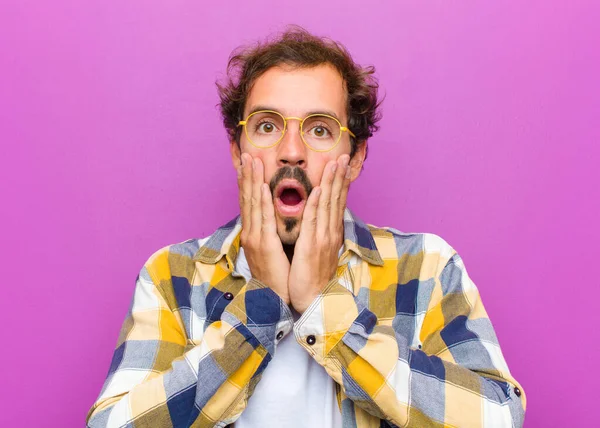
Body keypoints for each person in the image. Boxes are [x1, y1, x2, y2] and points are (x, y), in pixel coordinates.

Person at [86, 26, 526, 428]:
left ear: (355, 158)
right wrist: (258, 310)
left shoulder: (427, 268)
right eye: (266, 126)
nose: (291, 151)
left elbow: (498, 417)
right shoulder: (173, 275)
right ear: (238, 152)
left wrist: (324, 308)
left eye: (319, 129)